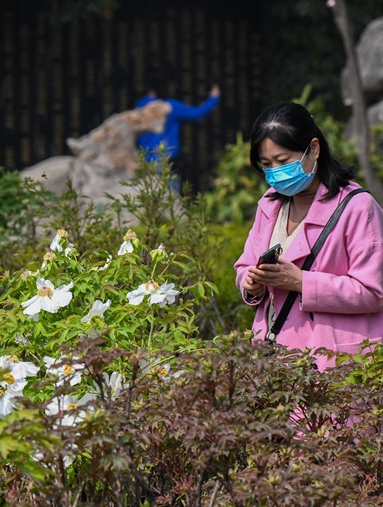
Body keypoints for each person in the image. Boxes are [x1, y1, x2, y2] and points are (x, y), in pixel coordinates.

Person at [234, 102, 383, 370]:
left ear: (313, 148)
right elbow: (245, 265)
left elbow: (373, 291)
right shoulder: (269, 205)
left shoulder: (358, 207)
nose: (275, 172)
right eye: (266, 164)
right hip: (275, 357)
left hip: (335, 361)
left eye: (283, 161)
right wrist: (251, 283)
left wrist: (302, 282)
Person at [134, 72, 220, 193]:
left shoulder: (140, 105)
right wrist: (214, 97)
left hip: (146, 162)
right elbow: (197, 113)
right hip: (167, 162)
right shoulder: (170, 106)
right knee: (172, 202)